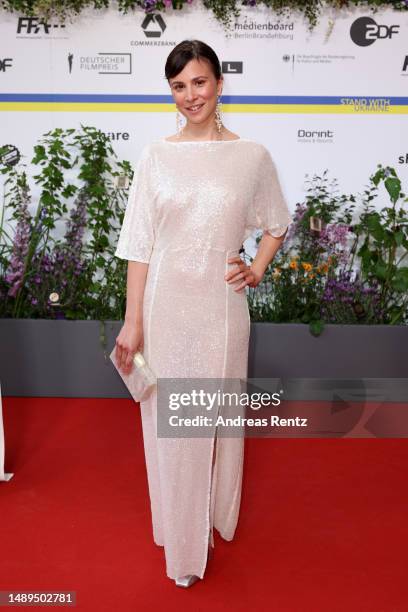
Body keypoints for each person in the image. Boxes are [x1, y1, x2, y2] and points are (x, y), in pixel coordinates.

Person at [114, 39, 293, 588]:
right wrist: (133, 319)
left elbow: (277, 222)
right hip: (166, 310)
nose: (190, 95)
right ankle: (182, 540)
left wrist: (257, 268)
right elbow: (139, 245)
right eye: (178, 85)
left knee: (216, 422)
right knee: (171, 430)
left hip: (221, 310)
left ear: (219, 83)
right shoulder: (156, 156)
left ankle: (217, 516)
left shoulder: (251, 156)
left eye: (199, 81)